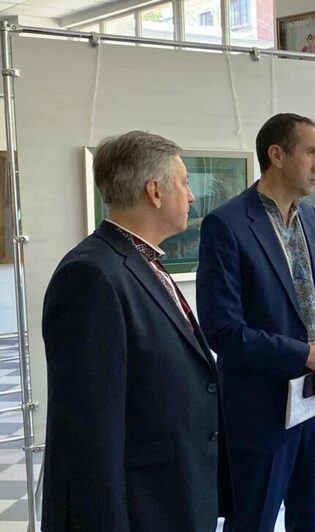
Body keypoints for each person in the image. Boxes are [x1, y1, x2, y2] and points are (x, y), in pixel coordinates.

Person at [41, 131, 230, 531]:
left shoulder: (140, 261)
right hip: (143, 504)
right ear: (155, 191)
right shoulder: (91, 274)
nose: (191, 197)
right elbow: (88, 429)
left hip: (174, 492)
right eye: (184, 183)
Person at [196, 113, 315, 531]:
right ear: (277, 155)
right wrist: (306, 355)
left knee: (314, 521)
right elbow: (223, 329)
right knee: (252, 521)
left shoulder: (310, 217)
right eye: (311, 153)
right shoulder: (226, 225)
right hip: (260, 409)